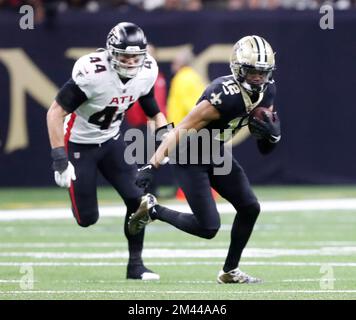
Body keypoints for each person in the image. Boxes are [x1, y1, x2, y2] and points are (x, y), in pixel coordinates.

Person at [129, 35, 281, 284]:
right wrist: (151, 164)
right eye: (252, 71)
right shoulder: (223, 95)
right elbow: (181, 128)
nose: (258, 78)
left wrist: (271, 137)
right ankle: (153, 210)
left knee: (250, 207)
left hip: (214, 149)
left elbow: (265, 147)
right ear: (239, 68)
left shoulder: (268, 91)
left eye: (263, 72)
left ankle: (229, 271)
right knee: (208, 227)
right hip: (189, 152)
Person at [46, 22, 168, 280]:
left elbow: (152, 108)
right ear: (111, 52)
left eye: (136, 56)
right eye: (125, 55)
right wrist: (59, 158)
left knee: (139, 202)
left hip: (111, 140)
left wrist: (163, 133)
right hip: (78, 144)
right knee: (86, 219)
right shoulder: (93, 72)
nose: (131, 61)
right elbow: (55, 112)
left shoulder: (146, 71)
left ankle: (136, 266)